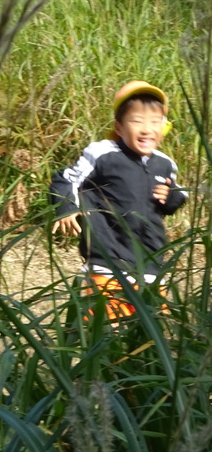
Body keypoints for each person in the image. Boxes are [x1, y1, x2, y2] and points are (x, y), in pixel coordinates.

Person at [50, 80, 187, 321]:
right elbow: (67, 178)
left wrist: (171, 196)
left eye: (156, 122)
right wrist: (67, 208)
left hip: (152, 264)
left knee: (149, 338)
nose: (147, 129)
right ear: (119, 127)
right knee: (105, 332)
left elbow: (177, 196)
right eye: (137, 121)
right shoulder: (103, 153)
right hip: (108, 261)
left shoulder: (165, 163)